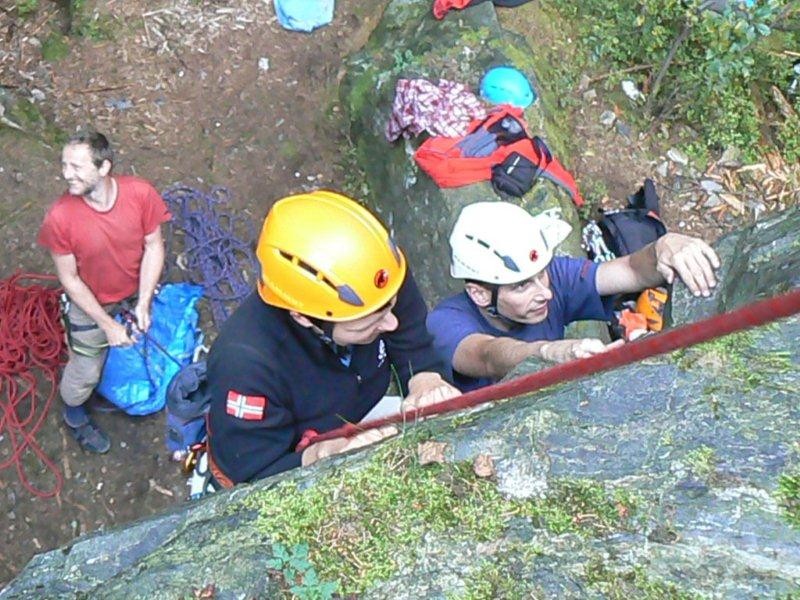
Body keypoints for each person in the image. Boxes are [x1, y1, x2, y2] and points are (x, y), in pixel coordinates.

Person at [205, 190, 460, 486]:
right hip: (286, 457)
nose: (391, 322)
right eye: (370, 322)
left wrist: (426, 382)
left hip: (357, 416)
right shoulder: (246, 366)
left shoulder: (377, 283)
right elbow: (255, 475)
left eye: (390, 306)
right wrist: (323, 454)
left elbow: (412, 342)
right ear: (303, 317)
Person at [427, 201, 721, 392]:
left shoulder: (553, 277)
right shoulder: (445, 322)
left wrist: (662, 249)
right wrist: (549, 353)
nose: (545, 292)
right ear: (479, 294)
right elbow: (488, 355)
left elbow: (629, 270)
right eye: (521, 286)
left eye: (541, 274)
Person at [38, 130, 171, 453]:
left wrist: (143, 302)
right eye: (64, 165)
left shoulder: (140, 195)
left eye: (76, 167)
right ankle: (73, 414)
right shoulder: (60, 218)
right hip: (90, 302)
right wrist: (107, 325)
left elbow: (154, 245)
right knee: (84, 372)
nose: (66, 174)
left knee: (139, 335)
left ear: (104, 167)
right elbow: (69, 279)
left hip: (131, 289)